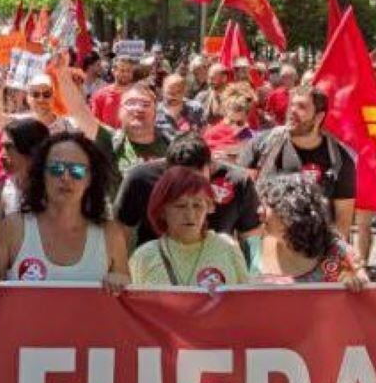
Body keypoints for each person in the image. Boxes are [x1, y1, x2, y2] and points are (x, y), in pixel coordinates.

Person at [0, 129, 129, 293]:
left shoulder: (110, 234)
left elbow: (128, 297)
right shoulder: (13, 228)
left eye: (76, 171)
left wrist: (121, 281)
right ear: (42, 174)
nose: (65, 177)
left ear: (91, 178)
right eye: (56, 169)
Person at [239, 86, 357, 235]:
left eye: (301, 106)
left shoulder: (338, 160)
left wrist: (334, 255)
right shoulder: (262, 145)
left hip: (313, 249)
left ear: (319, 117)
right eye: (291, 105)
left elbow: (343, 219)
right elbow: (243, 196)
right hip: (265, 244)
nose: (292, 111)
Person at [116, 133, 262, 251]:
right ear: (166, 169)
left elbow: (251, 239)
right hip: (157, 268)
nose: (188, 187)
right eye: (180, 179)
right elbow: (121, 232)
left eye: (195, 179)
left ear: (210, 167)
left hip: (216, 272)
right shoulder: (140, 178)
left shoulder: (238, 182)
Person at [127, 166, 250, 290]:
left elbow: (244, 300)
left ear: (209, 207)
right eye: (180, 206)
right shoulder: (144, 256)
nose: (190, 215)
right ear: (162, 210)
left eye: (197, 205)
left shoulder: (228, 247)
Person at [253, 175, 368, 287]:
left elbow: (362, 281)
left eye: (266, 205)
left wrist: (351, 281)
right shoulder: (251, 247)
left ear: (288, 214)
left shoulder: (335, 251)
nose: (259, 210)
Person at [109, 83, 167, 168]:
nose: (139, 109)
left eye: (145, 104)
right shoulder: (107, 142)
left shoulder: (172, 144)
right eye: (131, 103)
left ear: (155, 112)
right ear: (119, 112)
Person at [155, 73, 203, 140]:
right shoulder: (155, 112)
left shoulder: (195, 108)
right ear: (162, 91)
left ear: (184, 91)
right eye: (170, 93)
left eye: (178, 92)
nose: (174, 96)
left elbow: (202, 133)